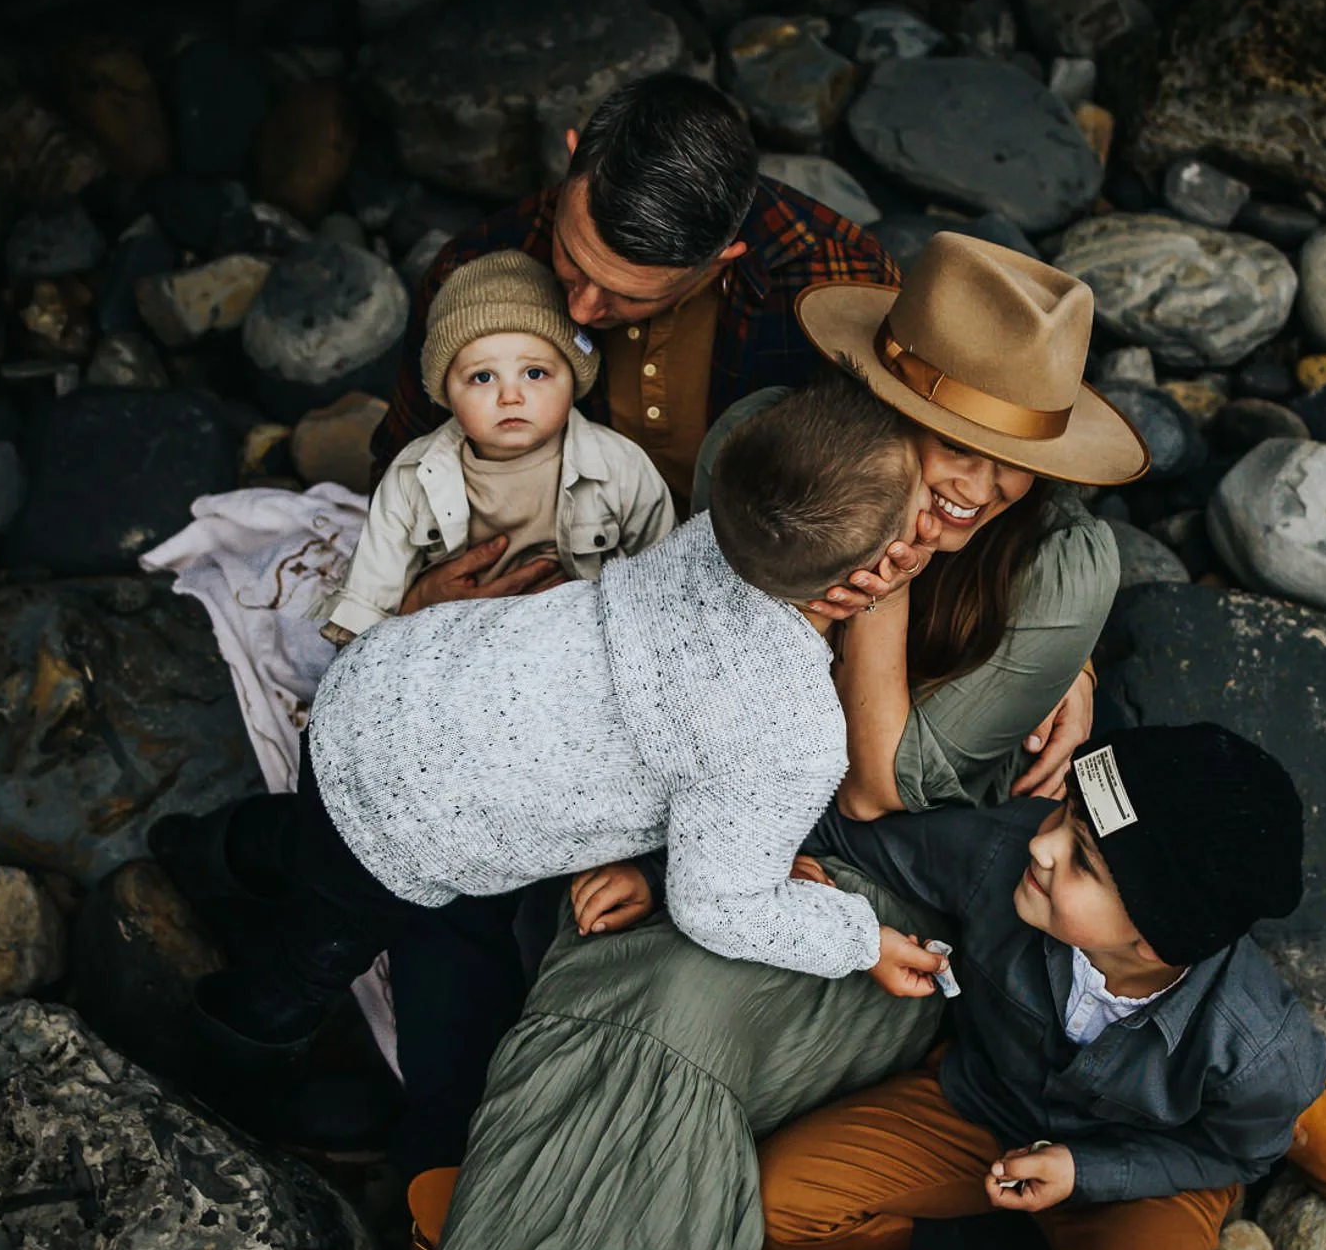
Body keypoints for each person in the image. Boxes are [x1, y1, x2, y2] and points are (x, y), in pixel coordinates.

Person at [357, 236, 1151, 1250]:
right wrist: (620, 835)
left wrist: (894, 566)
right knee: (619, 962)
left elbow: (882, 790)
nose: (983, 487)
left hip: (880, 904)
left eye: (1019, 460)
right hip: (703, 830)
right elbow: (658, 662)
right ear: (884, 401)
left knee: (668, 1009)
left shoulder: (1061, 571)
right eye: (954, 443)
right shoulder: (767, 451)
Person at [151, 379, 943, 1167]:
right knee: (313, 951)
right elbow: (719, 904)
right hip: (408, 823)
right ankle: (226, 1070)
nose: (930, 526)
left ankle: (198, 852)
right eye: (919, 514)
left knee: (304, 835)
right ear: (867, 579)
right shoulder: (788, 731)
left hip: (386, 678)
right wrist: (857, 938)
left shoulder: (726, 528)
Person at [755, 725, 1320, 1250]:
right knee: (779, 1203)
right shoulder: (1004, 853)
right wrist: (797, 890)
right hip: (984, 1108)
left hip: (1145, 1178)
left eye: (1085, 858)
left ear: (1157, 938)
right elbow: (838, 830)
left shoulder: (1260, 1050)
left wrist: (1088, 1169)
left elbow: (1239, 1154)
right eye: (1064, 813)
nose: (1046, 845)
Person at [375, 73, 897, 541]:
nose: (579, 310)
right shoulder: (471, 272)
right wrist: (420, 589)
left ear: (722, 258)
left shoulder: (841, 288)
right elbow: (402, 456)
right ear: (572, 156)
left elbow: (889, 492)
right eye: (571, 260)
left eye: (630, 296)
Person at [320, 251, 672, 643]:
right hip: (457, 647)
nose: (510, 396)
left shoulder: (620, 468)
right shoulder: (413, 477)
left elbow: (667, 581)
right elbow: (366, 605)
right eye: (482, 377)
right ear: (446, 396)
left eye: (535, 373)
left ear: (574, 381)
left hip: (589, 645)